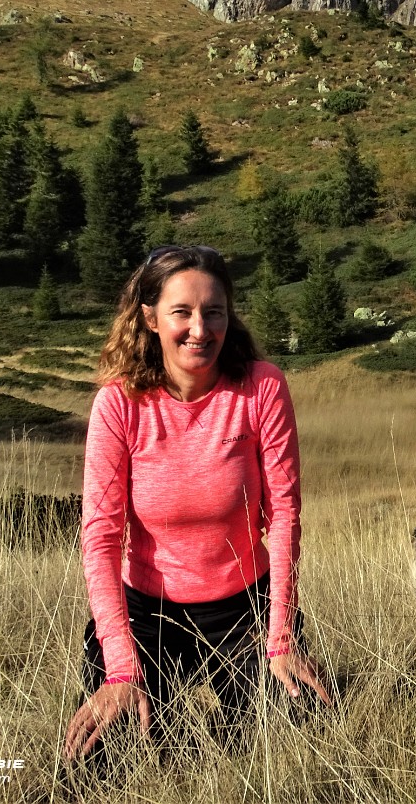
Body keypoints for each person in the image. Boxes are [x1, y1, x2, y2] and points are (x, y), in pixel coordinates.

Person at [63, 245, 331, 764]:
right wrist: (119, 668)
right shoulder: (119, 404)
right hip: (147, 612)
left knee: (290, 742)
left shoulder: (262, 388)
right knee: (106, 756)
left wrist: (280, 638)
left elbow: (283, 514)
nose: (200, 330)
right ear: (150, 318)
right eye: (181, 312)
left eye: (214, 312)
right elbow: (100, 538)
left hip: (244, 607)